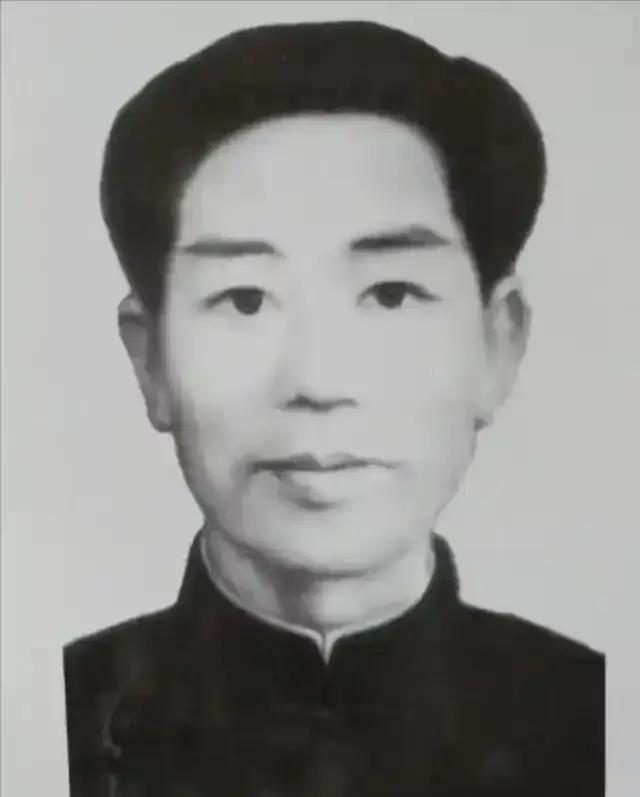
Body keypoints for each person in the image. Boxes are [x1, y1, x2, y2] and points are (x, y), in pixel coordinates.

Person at [63, 19, 604, 797]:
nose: (318, 380)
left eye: (392, 293)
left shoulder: (598, 716)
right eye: (245, 299)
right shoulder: (54, 718)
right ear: (150, 361)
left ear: (498, 342)